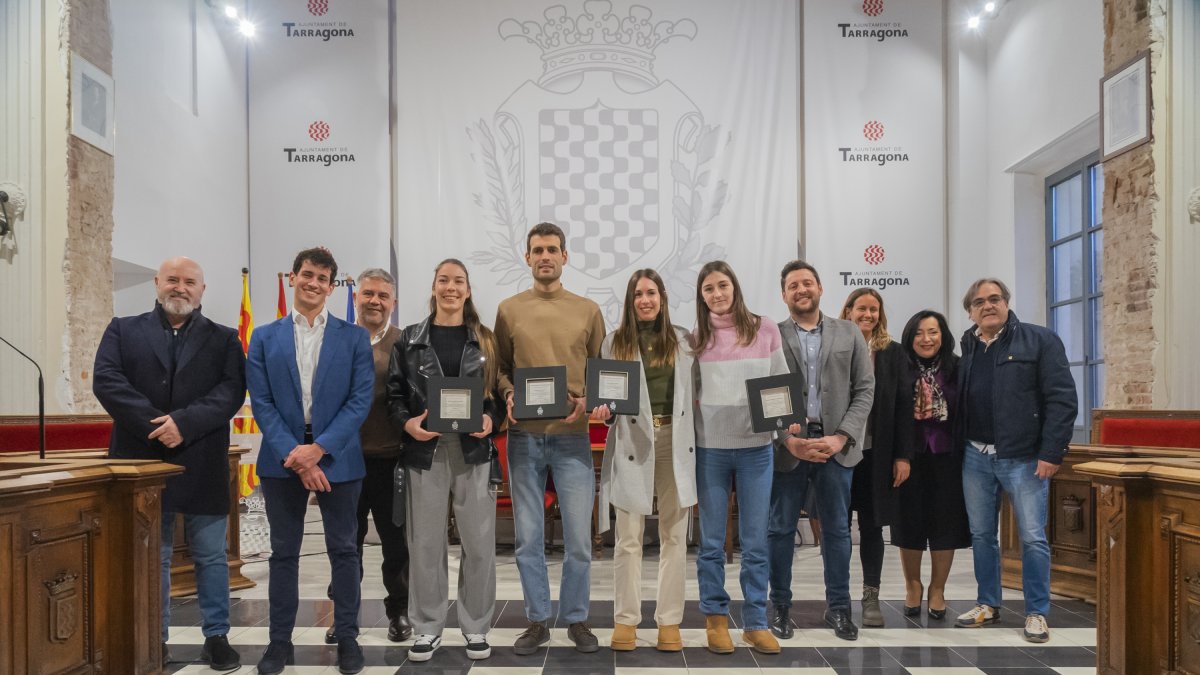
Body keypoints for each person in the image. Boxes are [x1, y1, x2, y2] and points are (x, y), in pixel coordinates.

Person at [93, 256, 244, 672]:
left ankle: (217, 638)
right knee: (151, 556)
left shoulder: (225, 338)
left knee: (211, 556)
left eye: (190, 282)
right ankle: (152, 637)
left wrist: (185, 423)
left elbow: (230, 391)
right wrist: (156, 425)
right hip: (141, 460)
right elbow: (107, 380)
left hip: (201, 457)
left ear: (202, 290)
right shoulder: (123, 329)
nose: (181, 288)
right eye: (173, 280)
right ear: (158, 283)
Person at [246, 247, 374, 674]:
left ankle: (349, 639)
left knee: (344, 551)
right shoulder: (264, 336)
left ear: (332, 286)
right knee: (283, 554)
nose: (313, 282)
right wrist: (296, 455)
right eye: (307, 274)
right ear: (293, 278)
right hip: (282, 457)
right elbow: (261, 403)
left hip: (337, 457)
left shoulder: (353, 336)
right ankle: (278, 643)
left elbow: (359, 402)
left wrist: (318, 450)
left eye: (323, 277)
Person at [493, 222, 606, 655]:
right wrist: (506, 393)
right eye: (537, 249)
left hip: (573, 438)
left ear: (565, 256)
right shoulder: (508, 309)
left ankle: (576, 619)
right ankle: (538, 619)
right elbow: (501, 367)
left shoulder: (587, 310)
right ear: (527, 257)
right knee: (528, 538)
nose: (545, 256)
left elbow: (601, 371)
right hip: (523, 438)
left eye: (552, 249)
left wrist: (588, 400)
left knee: (579, 539)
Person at [387, 259, 503, 661]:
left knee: (479, 544)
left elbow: (498, 397)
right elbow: (395, 396)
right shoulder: (410, 340)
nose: (450, 288)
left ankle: (475, 627)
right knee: (425, 544)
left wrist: (492, 419)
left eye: (458, 281)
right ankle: (428, 627)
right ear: (434, 287)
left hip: (473, 451)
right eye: (443, 281)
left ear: (468, 290)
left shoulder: (486, 340)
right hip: (425, 451)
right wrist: (409, 425)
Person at [954, 278, 1076, 643]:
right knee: (981, 536)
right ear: (970, 311)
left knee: (1033, 538)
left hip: (1023, 457)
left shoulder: (1039, 340)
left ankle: (1037, 612)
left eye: (994, 299)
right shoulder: (968, 346)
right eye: (979, 302)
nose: (987, 305)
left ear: (1007, 303)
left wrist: (1052, 452)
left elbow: (1062, 400)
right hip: (976, 455)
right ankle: (988, 604)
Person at [767, 260, 874, 642]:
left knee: (837, 531)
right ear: (784, 294)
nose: (801, 290)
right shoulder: (771, 335)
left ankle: (840, 610)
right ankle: (779, 607)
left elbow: (864, 390)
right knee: (779, 529)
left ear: (820, 288)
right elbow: (765, 395)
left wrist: (841, 436)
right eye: (793, 285)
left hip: (835, 449)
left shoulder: (850, 333)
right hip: (788, 449)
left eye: (807, 283)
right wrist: (788, 440)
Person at [592, 269, 697, 653]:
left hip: (676, 440)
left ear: (663, 297)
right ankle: (626, 620)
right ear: (630, 300)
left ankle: (669, 621)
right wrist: (603, 411)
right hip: (633, 441)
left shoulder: (684, 340)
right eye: (638, 294)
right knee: (629, 537)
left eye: (651, 293)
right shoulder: (613, 342)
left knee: (674, 535)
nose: (645, 300)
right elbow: (609, 399)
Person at [692, 260, 787, 655]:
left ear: (735, 287)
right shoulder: (694, 339)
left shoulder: (764, 328)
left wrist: (786, 422)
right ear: (702, 296)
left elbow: (780, 383)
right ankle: (715, 620)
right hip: (711, 449)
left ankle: (755, 622)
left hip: (756, 450)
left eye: (722, 285)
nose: (717, 293)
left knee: (754, 542)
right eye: (709, 288)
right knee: (712, 542)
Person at [324, 268, 412, 644]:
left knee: (396, 546)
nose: (375, 301)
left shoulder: (405, 343)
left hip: (391, 460)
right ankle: (344, 617)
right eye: (368, 294)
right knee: (346, 544)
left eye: (383, 295)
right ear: (356, 297)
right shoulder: (335, 338)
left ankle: (400, 613)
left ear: (393, 302)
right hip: (343, 461)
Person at [889, 310, 970, 620]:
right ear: (910, 337)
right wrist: (899, 455)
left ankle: (938, 589)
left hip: (949, 457)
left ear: (943, 335)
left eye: (933, 332)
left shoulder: (958, 368)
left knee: (944, 524)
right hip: (908, 458)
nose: (926, 339)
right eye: (919, 333)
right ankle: (913, 586)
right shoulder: (899, 367)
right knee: (908, 522)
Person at [838, 288, 902, 628]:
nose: (867, 314)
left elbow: (903, 408)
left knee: (872, 528)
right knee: (838, 528)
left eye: (873, 309)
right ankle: (839, 597)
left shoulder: (892, 353)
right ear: (847, 311)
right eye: (861, 308)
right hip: (839, 451)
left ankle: (871, 594)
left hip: (876, 454)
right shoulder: (835, 346)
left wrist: (902, 456)